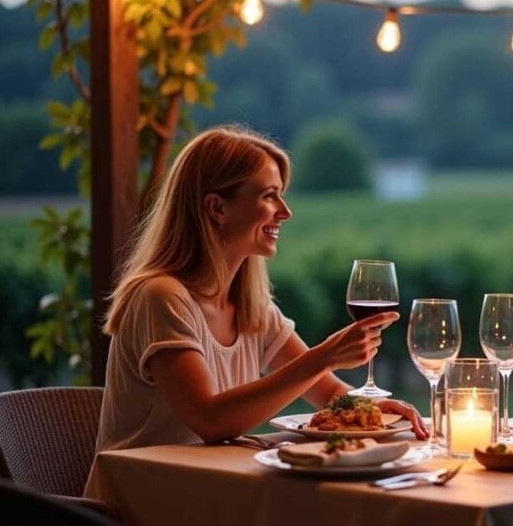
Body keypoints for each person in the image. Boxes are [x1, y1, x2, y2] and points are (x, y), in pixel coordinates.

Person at [87, 125, 427, 461]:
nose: (285, 211)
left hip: (215, 491)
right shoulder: (161, 297)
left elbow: (328, 393)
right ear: (217, 209)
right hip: (144, 499)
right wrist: (325, 355)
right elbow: (210, 420)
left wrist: (370, 409)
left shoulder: (251, 305)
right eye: (269, 196)